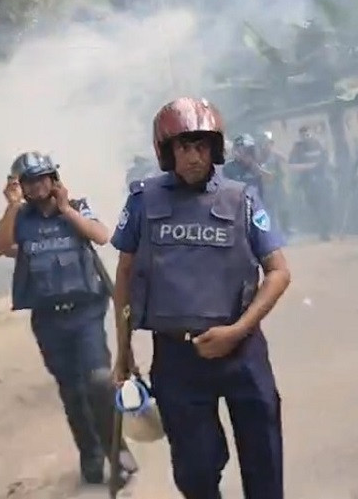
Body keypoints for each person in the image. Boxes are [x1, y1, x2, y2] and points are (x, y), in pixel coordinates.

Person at [111, 97, 291, 499]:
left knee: (264, 461)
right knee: (196, 472)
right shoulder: (143, 201)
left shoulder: (241, 198)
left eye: (202, 146)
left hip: (242, 352)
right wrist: (123, 350)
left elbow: (279, 271)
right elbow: (124, 275)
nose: (194, 157)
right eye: (184, 146)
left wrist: (239, 330)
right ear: (166, 150)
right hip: (178, 359)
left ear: (215, 149)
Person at [0, 151, 137, 487]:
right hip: (48, 320)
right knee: (72, 391)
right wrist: (11, 207)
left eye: (43, 178)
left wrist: (67, 209)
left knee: (99, 381)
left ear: (54, 179)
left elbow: (101, 235)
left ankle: (117, 451)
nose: (37, 186)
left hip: (86, 313)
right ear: (19, 187)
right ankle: (91, 453)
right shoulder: (21, 219)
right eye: (29, 181)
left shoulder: (77, 207)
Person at [287, 125, 334, 241]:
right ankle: (322, 228)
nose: (306, 137)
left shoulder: (318, 144)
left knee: (325, 204)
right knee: (314, 206)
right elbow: (291, 165)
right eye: (303, 135)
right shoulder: (298, 147)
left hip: (322, 179)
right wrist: (307, 167)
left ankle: (325, 230)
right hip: (307, 182)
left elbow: (326, 159)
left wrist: (331, 170)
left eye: (307, 134)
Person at [257, 131, 292, 236]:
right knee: (267, 210)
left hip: (277, 184)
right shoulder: (257, 156)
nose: (267, 146)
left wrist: (275, 152)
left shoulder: (274, 155)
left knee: (283, 207)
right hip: (264, 187)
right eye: (265, 144)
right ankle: (268, 232)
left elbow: (287, 160)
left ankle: (286, 229)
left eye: (269, 144)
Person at [223, 133, 272, 199]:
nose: (249, 155)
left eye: (250, 151)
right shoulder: (227, 169)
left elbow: (261, 197)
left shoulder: (257, 171)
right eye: (246, 151)